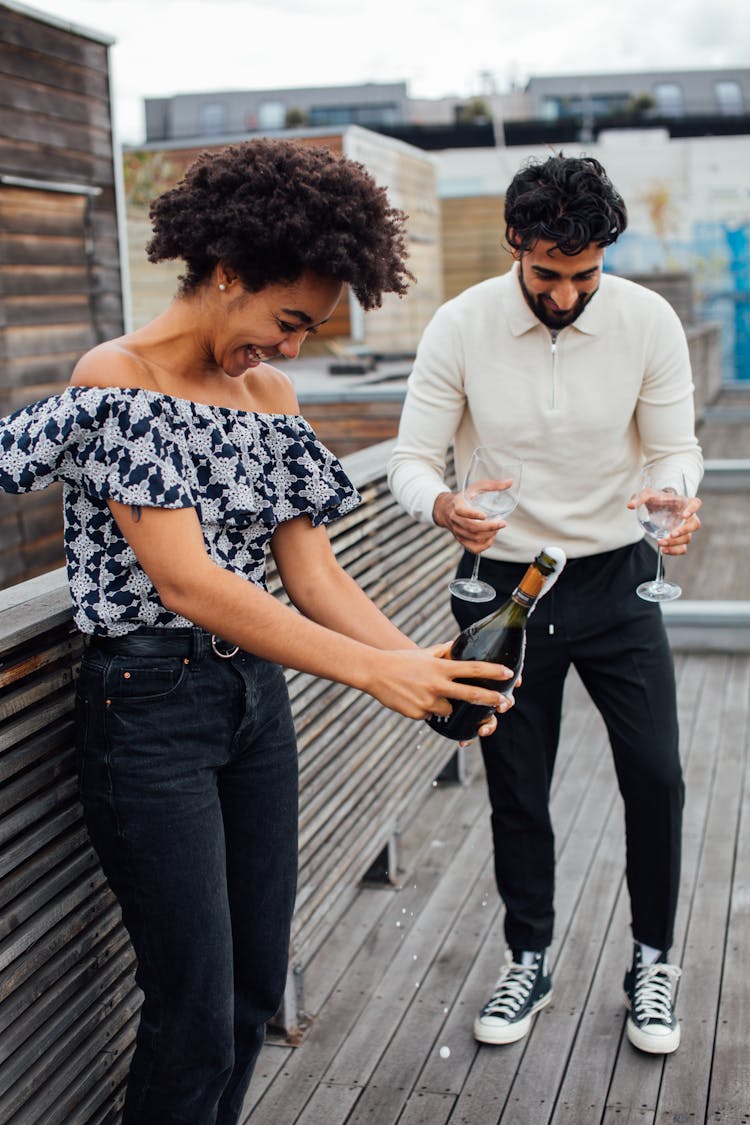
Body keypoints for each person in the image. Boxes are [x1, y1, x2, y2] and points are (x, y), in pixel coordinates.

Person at [0, 140, 515, 1124]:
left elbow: (311, 570)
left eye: (311, 332)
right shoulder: (120, 378)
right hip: (148, 710)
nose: (290, 350)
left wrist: (424, 669)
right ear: (226, 272)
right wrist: (374, 675)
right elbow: (189, 583)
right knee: (191, 1014)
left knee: (247, 996)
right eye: (287, 321)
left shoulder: (270, 399)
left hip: (253, 708)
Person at [388, 154, 703, 1056]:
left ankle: (653, 960)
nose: (566, 295)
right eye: (548, 275)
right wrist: (440, 504)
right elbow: (413, 458)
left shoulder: (647, 321)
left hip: (615, 575)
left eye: (585, 276)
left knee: (657, 775)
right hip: (503, 588)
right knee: (516, 786)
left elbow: (673, 449)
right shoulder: (460, 324)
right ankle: (529, 954)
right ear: (514, 245)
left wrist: (676, 493)